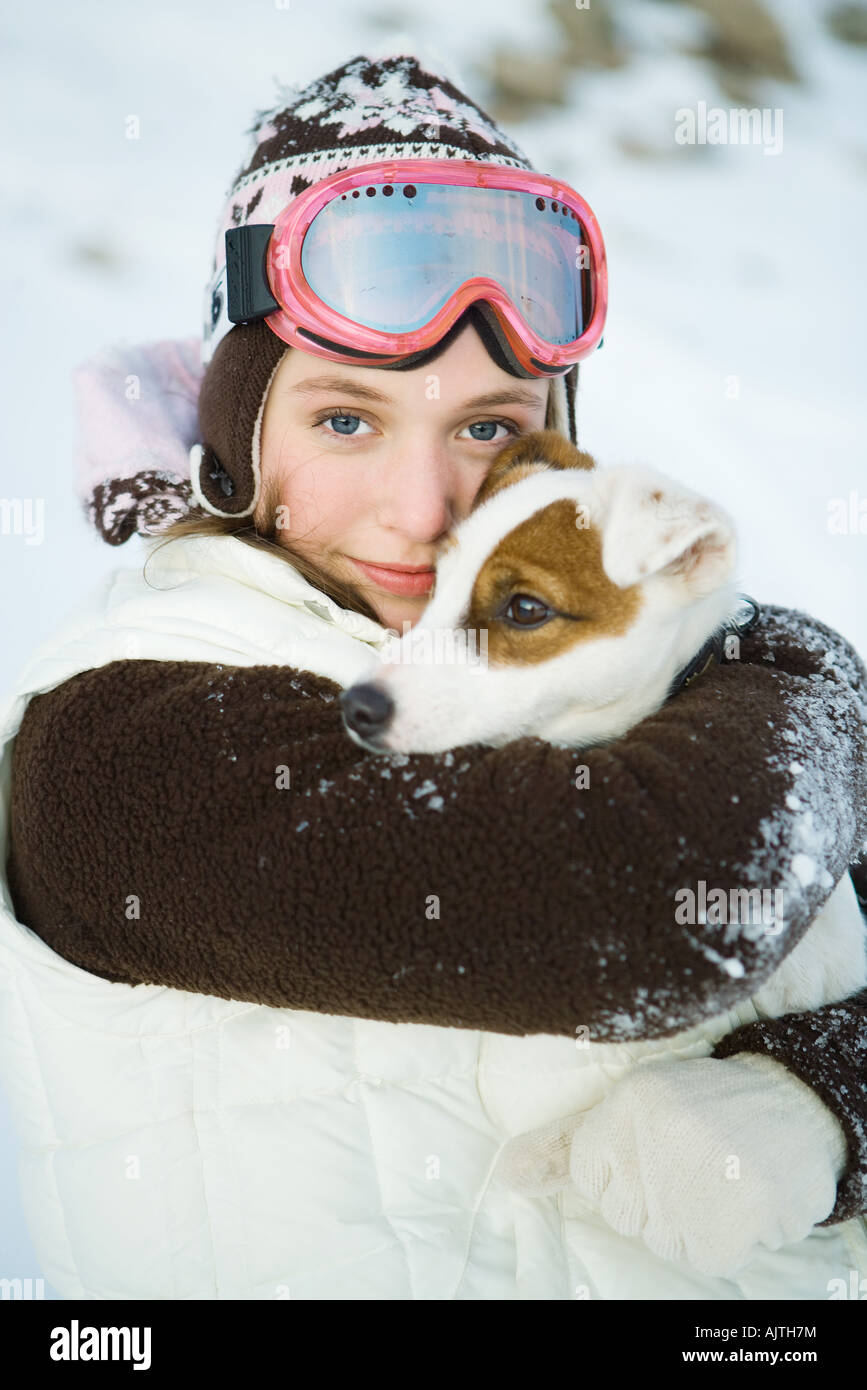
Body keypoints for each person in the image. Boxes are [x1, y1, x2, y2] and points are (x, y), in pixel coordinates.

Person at [0, 48, 865, 1301]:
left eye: (487, 427)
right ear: (240, 433)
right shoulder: (125, 737)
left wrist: (819, 1098)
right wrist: (796, 665)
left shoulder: (591, 657)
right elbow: (650, 902)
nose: (424, 509)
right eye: (345, 419)